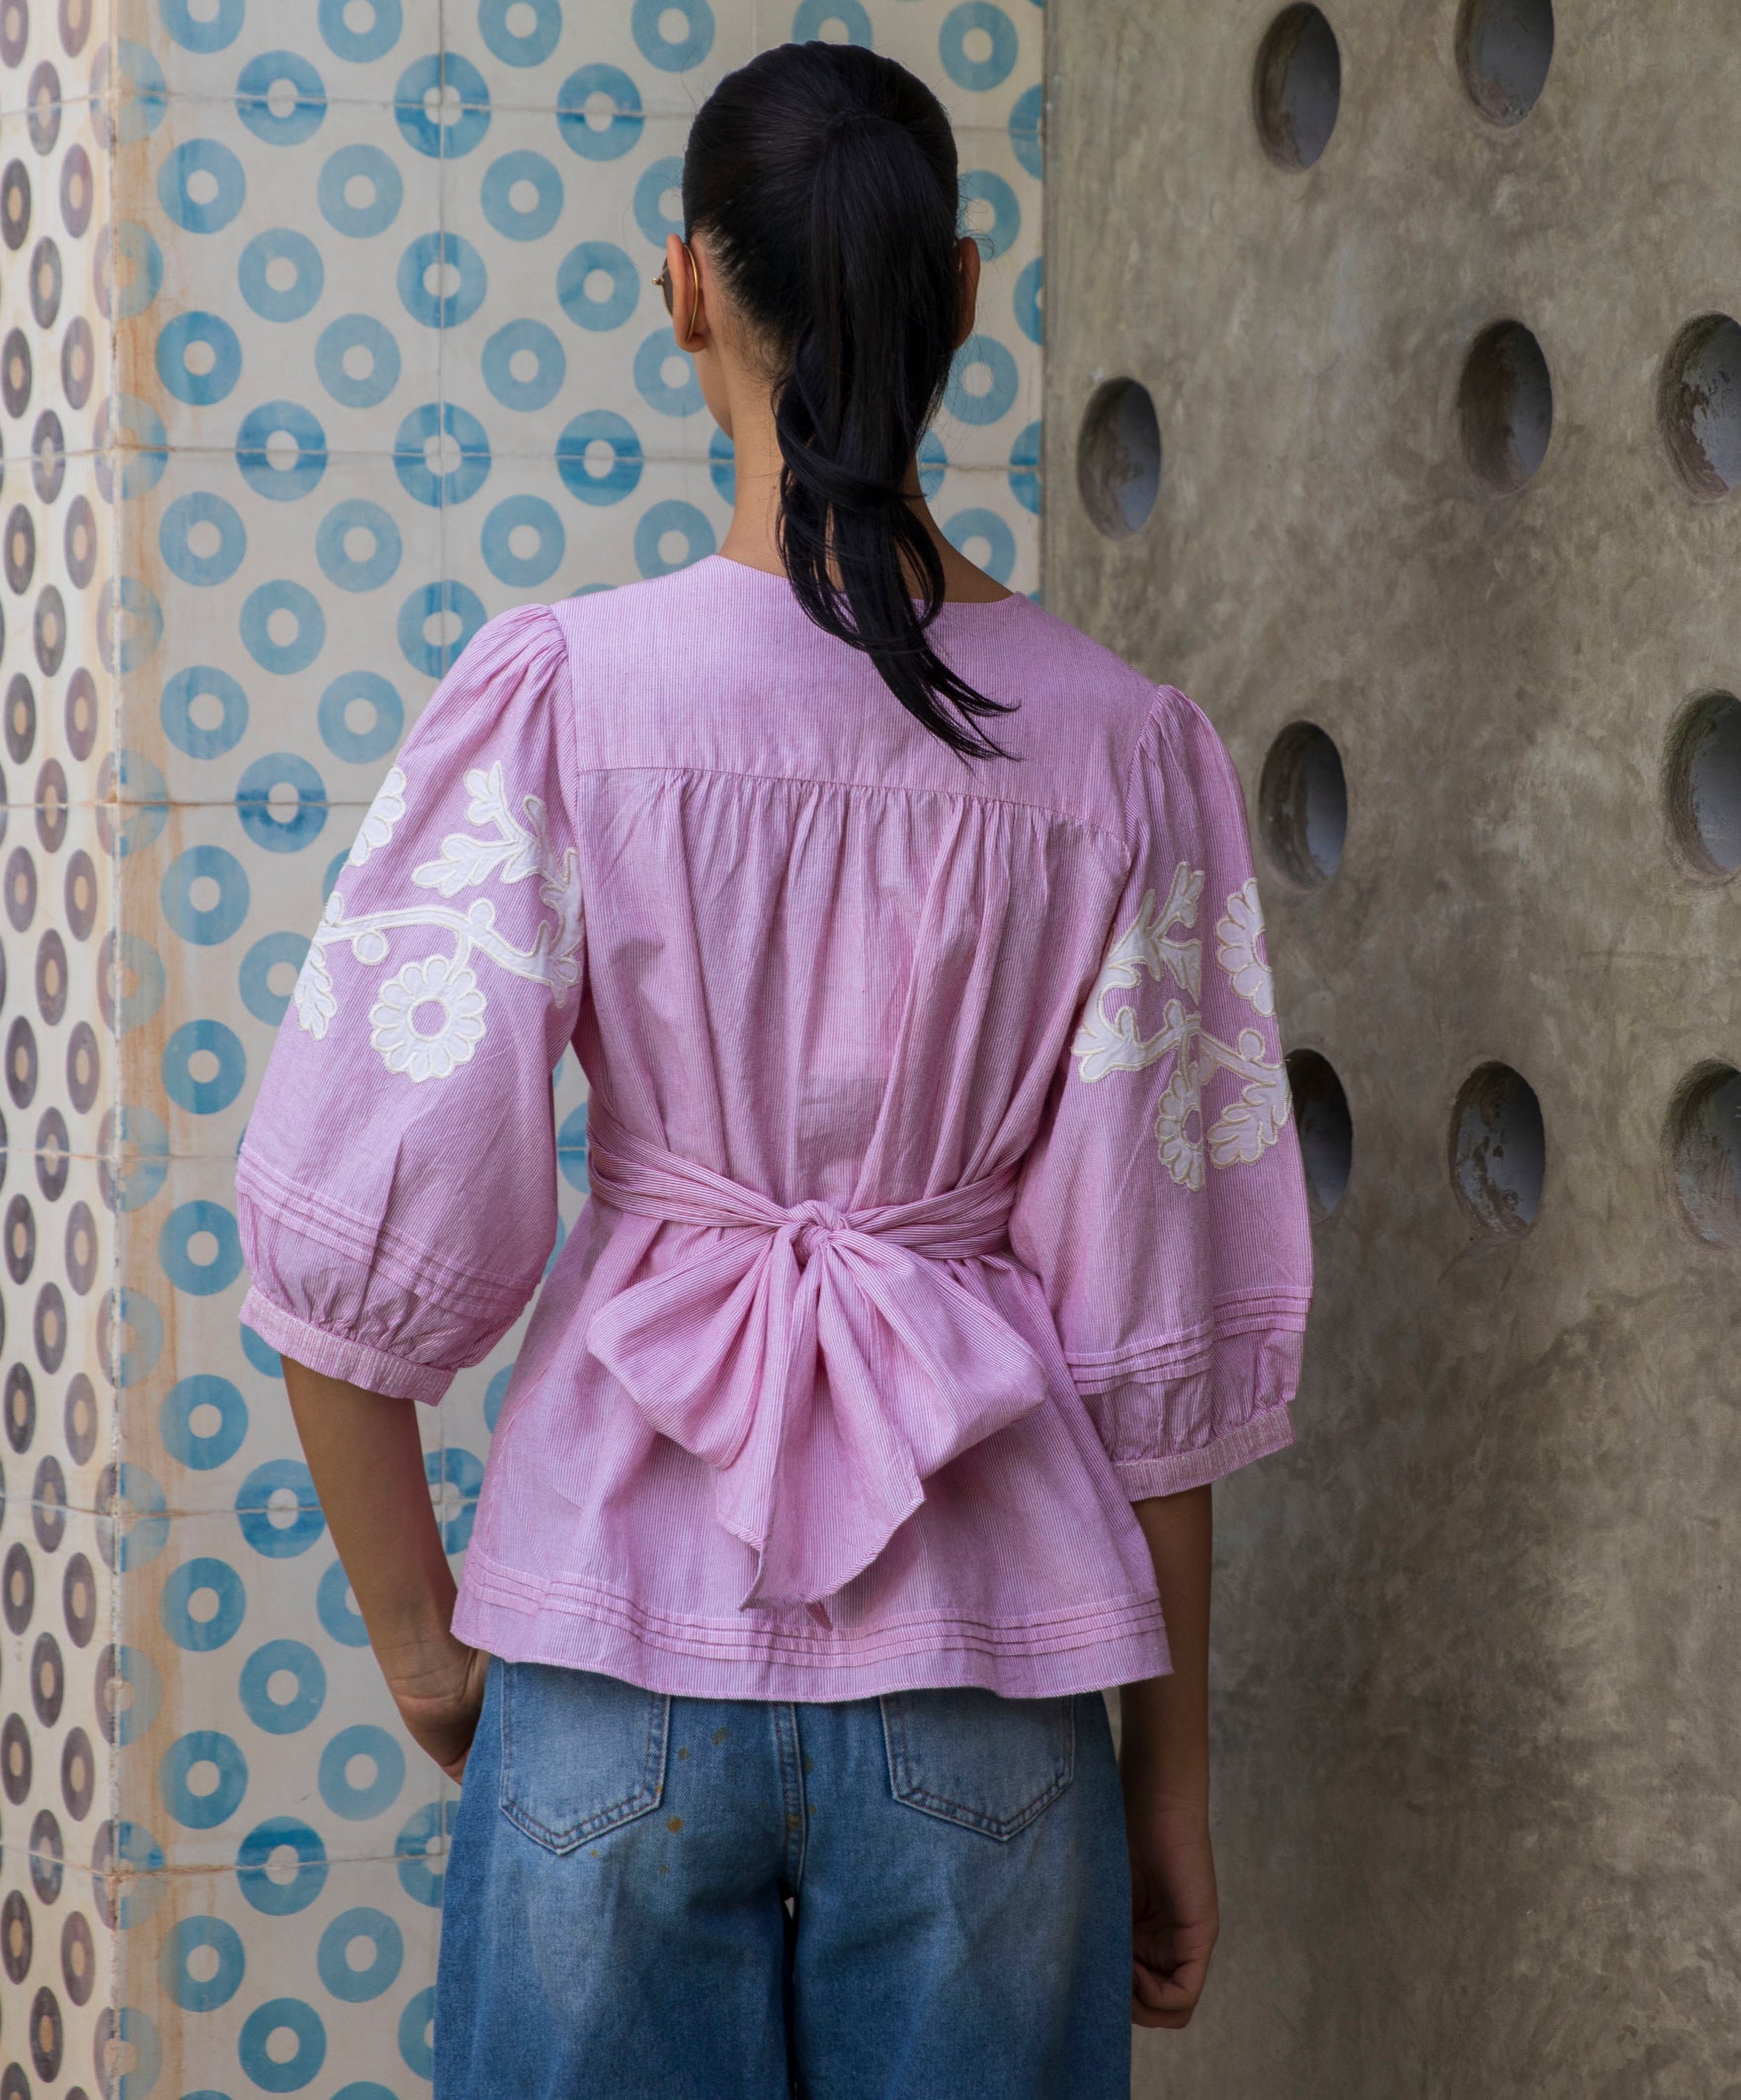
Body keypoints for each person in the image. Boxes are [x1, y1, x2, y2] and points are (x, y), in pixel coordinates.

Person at [236, 39, 1313, 2099]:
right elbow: (1148, 1344)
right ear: (966, 297)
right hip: (995, 1677)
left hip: (607, 1643)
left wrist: (414, 1633)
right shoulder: (1119, 750)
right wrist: (1166, 1784)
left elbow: (354, 1213)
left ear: (683, 292)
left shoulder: (563, 695)